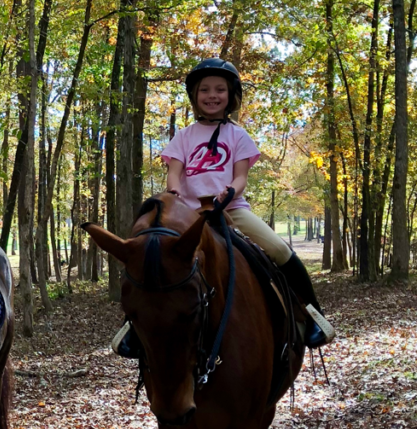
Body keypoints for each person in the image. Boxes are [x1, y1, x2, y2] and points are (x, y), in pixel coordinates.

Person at [114, 58, 335, 358]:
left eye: (220, 89)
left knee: (280, 251)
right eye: (204, 90)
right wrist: (174, 190)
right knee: (151, 259)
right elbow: (175, 171)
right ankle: (132, 329)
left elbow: (241, 176)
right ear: (195, 96)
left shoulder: (238, 136)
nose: (212, 95)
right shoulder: (184, 136)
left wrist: (230, 191)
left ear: (231, 95)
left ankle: (311, 315)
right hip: (187, 214)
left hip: (232, 210)